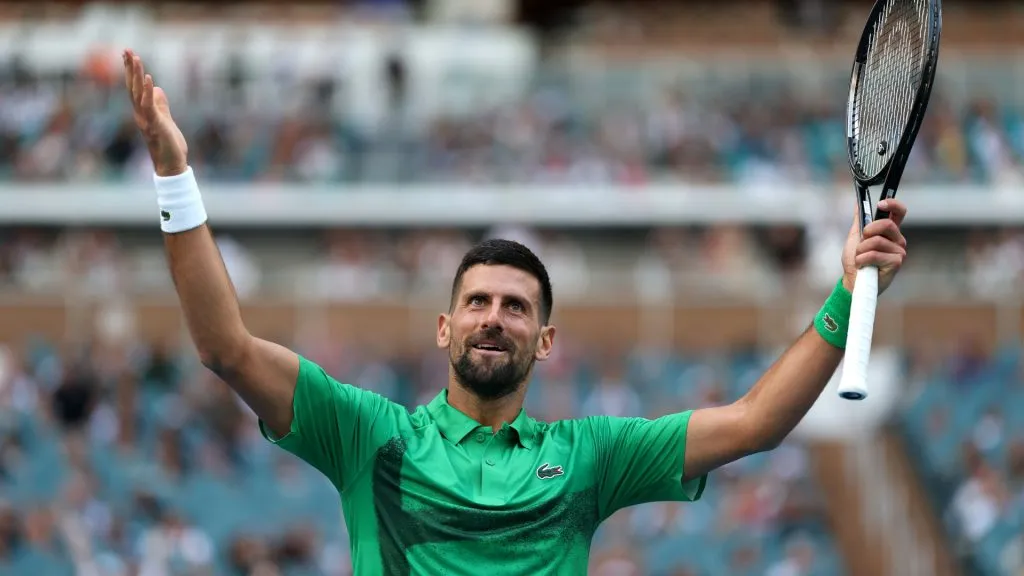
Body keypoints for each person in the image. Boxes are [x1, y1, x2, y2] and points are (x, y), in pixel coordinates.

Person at [122, 49, 909, 574]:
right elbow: (224, 347)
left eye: (514, 307)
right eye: (476, 303)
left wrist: (846, 291)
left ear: (545, 340)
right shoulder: (368, 437)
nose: (493, 316)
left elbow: (754, 424)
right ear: (445, 326)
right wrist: (173, 174)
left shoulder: (590, 456)